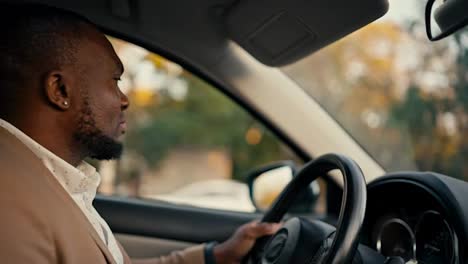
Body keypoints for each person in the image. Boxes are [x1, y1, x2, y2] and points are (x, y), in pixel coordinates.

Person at [0, 3, 280, 264]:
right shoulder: (9, 201)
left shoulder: (52, 178)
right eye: (114, 80)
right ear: (60, 90)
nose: (124, 100)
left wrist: (215, 256)